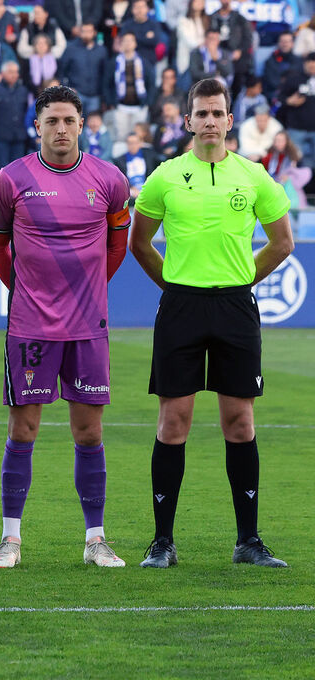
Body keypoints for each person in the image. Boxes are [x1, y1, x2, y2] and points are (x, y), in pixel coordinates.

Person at [129, 78, 294, 570]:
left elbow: (282, 242)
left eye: (216, 113)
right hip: (181, 308)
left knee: (239, 422)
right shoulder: (165, 176)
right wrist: (174, 287)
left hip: (235, 309)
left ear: (228, 121)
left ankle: (249, 541)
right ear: (187, 121)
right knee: (173, 421)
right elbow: (140, 243)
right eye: (200, 113)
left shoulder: (254, 176)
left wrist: (242, 281)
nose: (208, 121)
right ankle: (162, 542)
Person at [0, 86, 132, 569]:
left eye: (69, 120)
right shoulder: (11, 179)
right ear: (38, 126)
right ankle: (10, 540)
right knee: (23, 429)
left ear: (82, 125)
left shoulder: (109, 180)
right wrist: (26, 291)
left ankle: (95, 540)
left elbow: (117, 248)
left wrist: (88, 290)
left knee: (89, 432)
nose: (61, 129)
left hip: (88, 326)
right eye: (52, 121)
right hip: (30, 326)